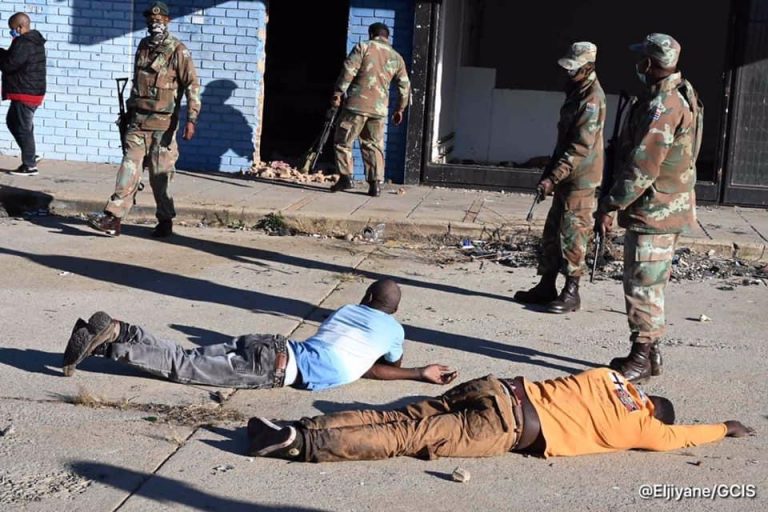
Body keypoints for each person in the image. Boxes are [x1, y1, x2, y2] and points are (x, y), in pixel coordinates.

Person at [246, 367, 753, 462]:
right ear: (655, 415)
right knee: (407, 436)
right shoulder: (643, 427)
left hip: (496, 388)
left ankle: (298, 428)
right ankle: (298, 443)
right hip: (505, 427)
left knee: (395, 416)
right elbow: (683, 437)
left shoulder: (609, 376)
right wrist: (726, 427)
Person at [62, 279, 458, 390]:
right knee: (184, 367)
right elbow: (377, 368)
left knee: (189, 357)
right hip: (275, 367)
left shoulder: (347, 310)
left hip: (271, 344)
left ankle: (122, 330)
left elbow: (362, 362)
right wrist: (417, 372)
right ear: (395, 311)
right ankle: (110, 344)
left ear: (367, 297)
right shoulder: (394, 331)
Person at [594, 34, 703, 383]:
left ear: (651, 64)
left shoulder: (664, 106)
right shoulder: (682, 93)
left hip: (655, 210)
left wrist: (610, 204)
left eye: (643, 58)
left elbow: (643, 166)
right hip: (667, 205)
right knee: (652, 283)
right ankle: (651, 355)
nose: (638, 63)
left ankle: (641, 357)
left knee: (642, 284)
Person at [89, 1, 201, 238]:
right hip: (138, 121)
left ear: (167, 21)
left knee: (160, 178)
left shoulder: (177, 50)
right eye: (151, 20)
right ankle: (113, 218)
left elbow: (192, 85)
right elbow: (137, 83)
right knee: (128, 169)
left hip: (163, 126)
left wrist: (191, 119)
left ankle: (165, 219)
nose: (154, 23)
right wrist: (128, 115)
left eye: (159, 20)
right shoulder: (142, 46)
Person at [514, 42, 606, 314]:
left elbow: (580, 147)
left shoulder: (592, 99)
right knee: (553, 231)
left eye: (573, 69)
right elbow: (564, 141)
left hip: (581, 179)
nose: (568, 73)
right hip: (566, 175)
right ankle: (546, 285)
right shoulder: (576, 90)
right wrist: (550, 173)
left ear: (588, 67)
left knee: (573, 235)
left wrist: (554, 177)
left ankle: (571, 291)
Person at [330, 22, 410, 197]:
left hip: (356, 106)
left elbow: (348, 70)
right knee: (373, 146)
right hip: (379, 110)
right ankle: (375, 185)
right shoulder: (397, 57)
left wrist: (338, 92)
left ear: (371, 34)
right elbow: (405, 87)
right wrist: (400, 109)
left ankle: (345, 177)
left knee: (343, 141)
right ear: (387, 37)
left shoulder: (363, 47)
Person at [0, 12, 46, 177]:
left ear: (20, 27)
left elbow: (10, 65)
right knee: (14, 122)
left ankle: (30, 165)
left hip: (26, 92)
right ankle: (30, 154)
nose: (11, 32)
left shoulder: (23, 42)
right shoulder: (32, 41)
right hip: (29, 90)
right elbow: (14, 59)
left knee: (22, 127)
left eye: (12, 29)